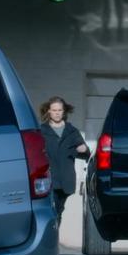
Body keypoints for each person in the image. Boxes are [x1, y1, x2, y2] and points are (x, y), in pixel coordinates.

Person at [40, 96, 90, 224]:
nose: (57, 113)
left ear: (64, 112)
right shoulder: (42, 131)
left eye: (60, 110)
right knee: (53, 209)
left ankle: (54, 235)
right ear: (49, 111)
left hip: (66, 179)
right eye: (54, 110)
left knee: (59, 209)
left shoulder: (72, 131)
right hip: (49, 178)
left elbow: (86, 154)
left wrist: (83, 149)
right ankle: (53, 237)